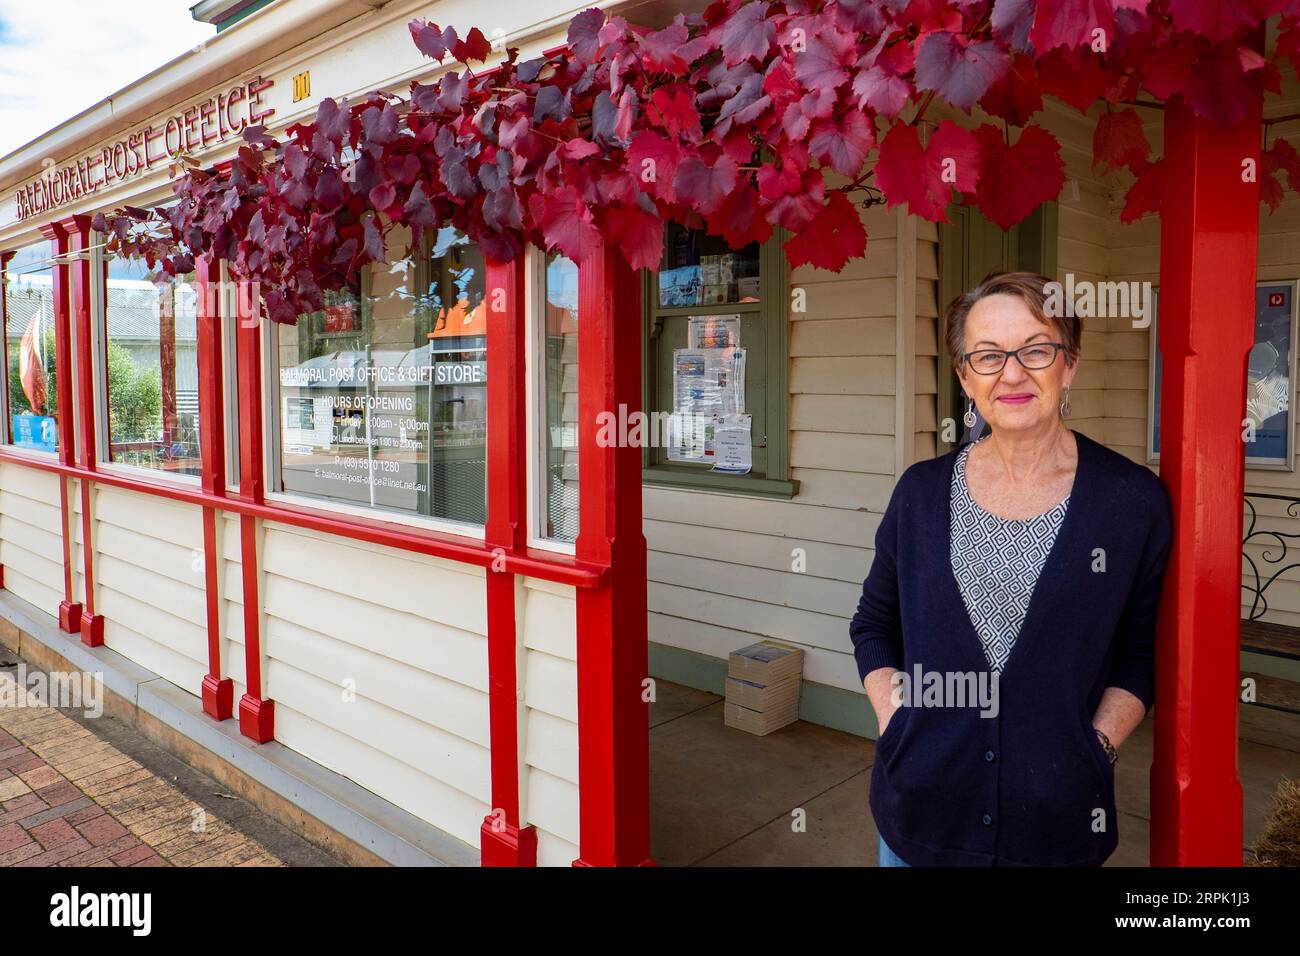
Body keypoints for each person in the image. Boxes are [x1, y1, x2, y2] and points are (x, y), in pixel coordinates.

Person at [852, 271, 1173, 867]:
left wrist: (1094, 746)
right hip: (918, 816)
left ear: (1069, 364)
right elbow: (874, 624)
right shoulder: (920, 495)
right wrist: (897, 722)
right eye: (989, 355)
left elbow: (1142, 651)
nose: (1014, 373)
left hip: (1056, 826)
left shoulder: (1131, 503)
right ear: (964, 377)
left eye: (1036, 349)